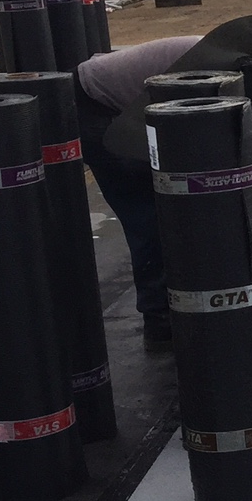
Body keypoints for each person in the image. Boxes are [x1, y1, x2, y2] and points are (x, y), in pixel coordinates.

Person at [73, 36, 200, 348]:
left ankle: (170, 311)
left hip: (117, 98)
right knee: (148, 216)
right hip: (93, 105)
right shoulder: (215, 73)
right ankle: (159, 322)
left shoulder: (229, 57)